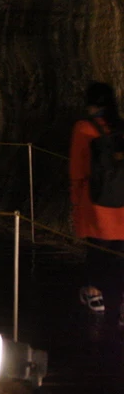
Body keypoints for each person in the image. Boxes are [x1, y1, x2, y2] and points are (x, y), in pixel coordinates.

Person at [69, 82, 124, 320]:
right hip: (122, 202)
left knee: (97, 248)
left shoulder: (84, 128)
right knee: (119, 252)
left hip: (97, 200)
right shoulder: (121, 128)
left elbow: (78, 167)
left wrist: (75, 196)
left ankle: (95, 293)